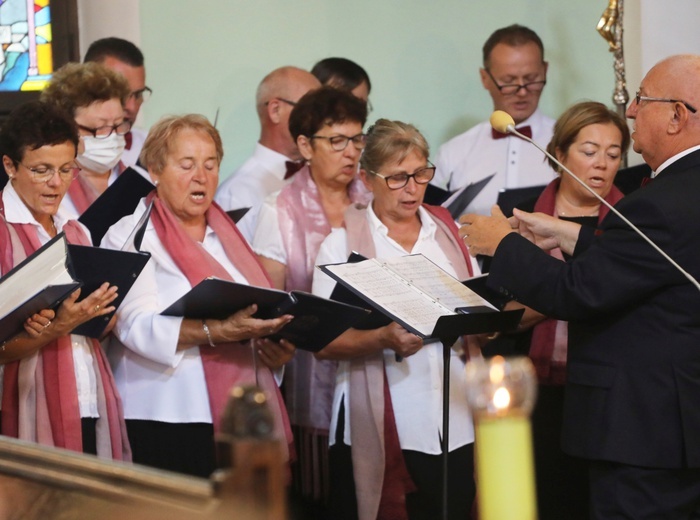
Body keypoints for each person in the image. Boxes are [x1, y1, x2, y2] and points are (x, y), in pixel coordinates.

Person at [459, 54, 700, 519]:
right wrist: (568, 234)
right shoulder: (681, 192)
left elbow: (578, 293)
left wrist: (504, 244)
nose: (630, 111)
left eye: (641, 100)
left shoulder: (661, 201)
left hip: (646, 432)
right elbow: (647, 265)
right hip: (675, 424)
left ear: (677, 115)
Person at [101, 114, 295, 478]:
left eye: (210, 165)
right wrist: (214, 331)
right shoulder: (129, 235)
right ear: (156, 170)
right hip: (166, 412)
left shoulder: (230, 236)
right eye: (186, 165)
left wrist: (275, 352)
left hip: (240, 414)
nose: (201, 177)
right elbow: (132, 326)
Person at [312, 119, 480, 520]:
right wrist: (382, 339)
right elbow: (322, 341)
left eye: (421, 174)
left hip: (456, 412)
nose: (412, 188)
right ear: (367, 179)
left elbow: (474, 314)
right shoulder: (340, 245)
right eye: (398, 177)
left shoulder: (450, 235)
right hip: (385, 413)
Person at [495, 101, 630, 520]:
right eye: (589, 151)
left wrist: (559, 288)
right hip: (530, 384)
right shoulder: (518, 210)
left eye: (614, 154)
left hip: (608, 391)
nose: (602, 165)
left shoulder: (634, 221)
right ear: (558, 153)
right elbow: (497, 309)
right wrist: (562, 293)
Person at [252, 85, 369, 512]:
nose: (351, 152)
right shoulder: (279, 209)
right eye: (337, 141)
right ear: (304, 145)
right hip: (307, 372)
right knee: (322, 502)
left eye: (358, 139)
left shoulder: (373, 199)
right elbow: (270, 302)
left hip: (373, 368)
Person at [0, 101, 128, 459]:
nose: (56, 184)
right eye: (41, 170)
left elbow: (94, 329)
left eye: (66, 169)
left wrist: (100, 313)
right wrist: (57, 326)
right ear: (9, 165)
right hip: (24, 405)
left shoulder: (75, 231)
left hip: (87, 396)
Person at [433, 24, 555, 216]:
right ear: (485, 78)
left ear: (545, 70)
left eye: (531, 78)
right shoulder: (453, 152)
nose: (522, 91)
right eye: (508, 81)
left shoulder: (569, 146)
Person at [214, 66, 320, 241]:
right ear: (275, 111)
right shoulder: (237, 194)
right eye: (313, 110)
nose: (322, 120)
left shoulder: (322, 178)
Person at [41, 62, 130, 219]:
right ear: (65, 129)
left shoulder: (137, 182)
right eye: (100, 127)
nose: (113, 136)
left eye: (118, 124)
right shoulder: (48, 188)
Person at [84, 37, 152, 172]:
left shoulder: (154, 147)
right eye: (122, 95)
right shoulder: (55, 157)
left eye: (138, 95)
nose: (132, 107)